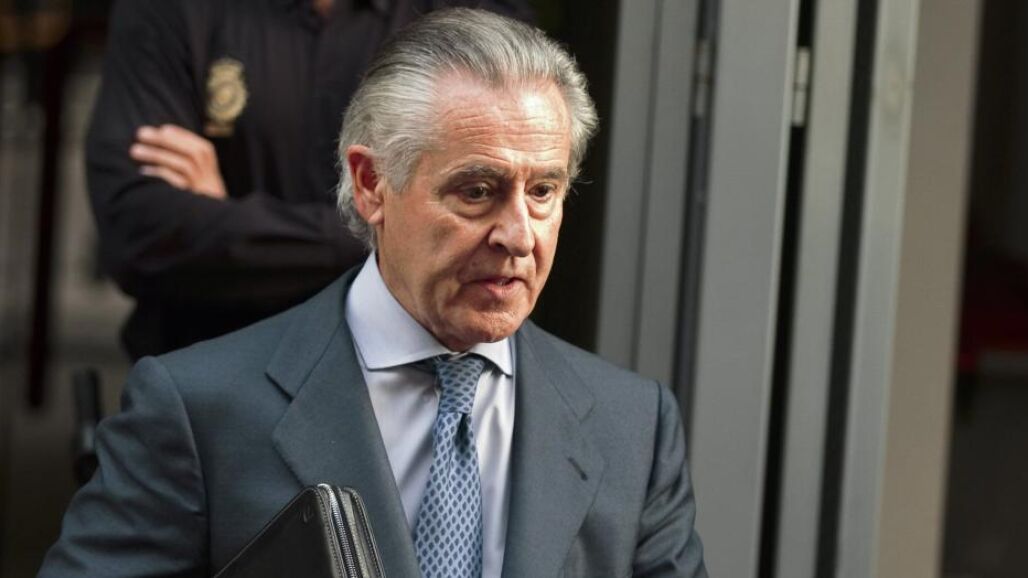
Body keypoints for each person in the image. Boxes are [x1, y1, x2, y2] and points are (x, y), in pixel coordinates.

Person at [40, 8, 707, 577]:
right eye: (477, 191)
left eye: (543, 191)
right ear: (370, 184)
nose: (517, 235)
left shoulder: (635, 429)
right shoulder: (197, 412)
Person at [88, 0, 532, 359]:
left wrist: (226, 223)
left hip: (413, 385)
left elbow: (497, 231)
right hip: (206, 385)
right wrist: (401, 231)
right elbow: (137, 232)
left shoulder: (471, 12)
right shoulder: (172, 9)